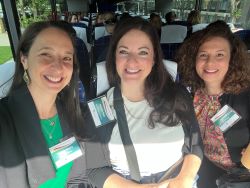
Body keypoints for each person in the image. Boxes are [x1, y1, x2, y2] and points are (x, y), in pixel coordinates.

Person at [86, 16, 202, 188]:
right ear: (114, 56)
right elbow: (94, 169)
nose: (132, 61)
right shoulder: (99, 107)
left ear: (154, 58)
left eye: (143, 52)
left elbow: (196, 144)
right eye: (124, 51)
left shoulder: (178, 95)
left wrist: (184, 179)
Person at [0, 21, 90, 187]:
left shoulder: (73, 112)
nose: (58, 66)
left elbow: (79, 177)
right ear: (24, 59)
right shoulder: (4, 120)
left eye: (66, 58)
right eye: (46, 55)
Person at [177, 20, 250, 188]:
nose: (210, 63)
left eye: (220, 55)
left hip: (240, 177)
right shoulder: (190, 92)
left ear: (232, 59)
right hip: (203, 167)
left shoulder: (245, 95)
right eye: (203, 55)